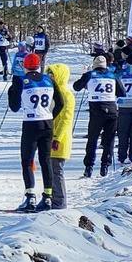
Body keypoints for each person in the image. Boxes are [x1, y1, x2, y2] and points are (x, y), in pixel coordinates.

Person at [8, 52, 63, 212]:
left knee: (28, 161)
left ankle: (30, 197)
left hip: (31, 124)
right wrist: (51, 115)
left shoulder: (21, 81)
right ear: (39, 66)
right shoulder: (49, 79)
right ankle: (47, 197)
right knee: (45, 161)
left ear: (24, 66)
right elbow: (60, 103)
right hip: (47, 123)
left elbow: (14, 107)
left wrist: (12, 91)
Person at [73, 55, 124, 178]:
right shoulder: (113, 75)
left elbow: (76, 87)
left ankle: (89, 166)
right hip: (112, 109)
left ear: (95, 65)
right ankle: (105, 165)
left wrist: (86, 83)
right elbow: (122, 92)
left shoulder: (90, 75)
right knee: (109, 139)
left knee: (93, 138)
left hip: (96, 110)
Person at [46, 61, 74, 210]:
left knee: (56, 170)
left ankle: (60, 201)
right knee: (50, 169)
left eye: (52, 75)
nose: (50, 77)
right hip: (50, 135)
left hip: (59, 139)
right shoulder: (53, 92)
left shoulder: (66, 94)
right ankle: (50, 198)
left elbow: (65, 120)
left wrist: (57, 137)